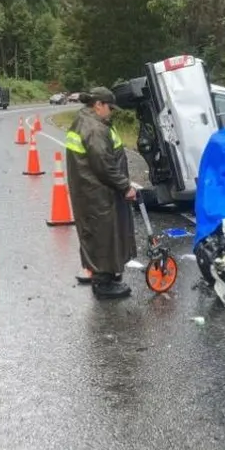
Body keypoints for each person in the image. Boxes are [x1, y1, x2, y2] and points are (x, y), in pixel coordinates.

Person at [64, 87, 138, 298]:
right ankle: (102, 284)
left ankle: (105, 272)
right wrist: (125, 186)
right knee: (102, 233)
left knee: (96, 231)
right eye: (109, 107)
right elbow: (104, 165)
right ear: (98, 105)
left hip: (89, 189)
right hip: (97, 192)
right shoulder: (95, 129)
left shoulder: (84, 120)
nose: (111, 112)